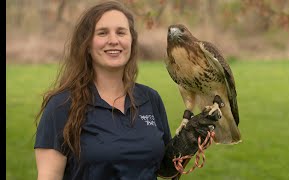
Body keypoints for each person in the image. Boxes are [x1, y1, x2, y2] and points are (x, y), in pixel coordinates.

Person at [34, 1, 220, 179]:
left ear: (131, 41)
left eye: (121, 32)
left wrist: (187, 141)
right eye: (102, 33)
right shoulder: (61, 105)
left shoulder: (150, 98)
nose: (113, 40)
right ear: (87, 44)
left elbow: (163, 168)